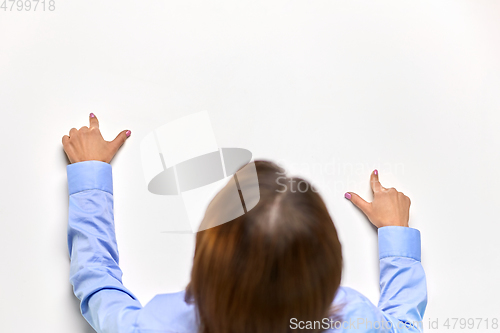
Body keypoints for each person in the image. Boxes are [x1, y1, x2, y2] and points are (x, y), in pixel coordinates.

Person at [62, 114, 427, 333]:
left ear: (205, 259)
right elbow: (405, 327)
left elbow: (98, 286)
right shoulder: (354, 319)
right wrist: (396, 234)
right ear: (330, 272)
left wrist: (90, 175)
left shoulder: (157, 325)